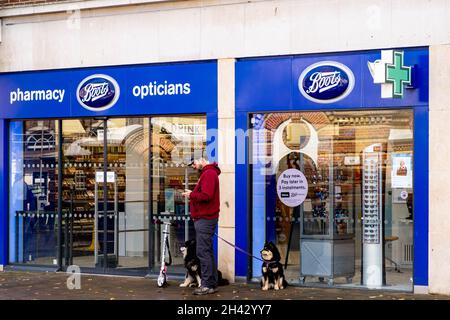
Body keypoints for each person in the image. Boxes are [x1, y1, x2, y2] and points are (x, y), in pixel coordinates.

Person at [182, 157, 221, 295]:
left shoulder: (208, 174)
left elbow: (207, 195)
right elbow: (206, 194)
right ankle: (211, 283)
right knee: (207, 252)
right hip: (205, 218)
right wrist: (192, 194)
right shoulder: (208, 173)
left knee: (203, 252)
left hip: (205, 218)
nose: (193, 166)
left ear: (202, 159)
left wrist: (191, 195)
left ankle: (207, 285)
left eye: (194, 163)